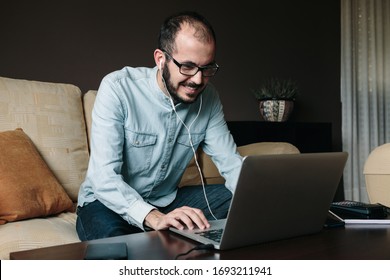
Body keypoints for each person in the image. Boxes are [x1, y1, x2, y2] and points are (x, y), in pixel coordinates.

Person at [76, 11, 243, 241]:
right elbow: (103, 177)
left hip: (168, 201)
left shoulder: (209, 98)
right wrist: (152, 217)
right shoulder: (118, 88)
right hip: (106, 203)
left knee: (245, 202)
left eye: (207, 69)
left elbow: (232, 165)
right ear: (160, 59)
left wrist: (265, 198)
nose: (197, 79)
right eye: (187, 66)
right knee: (113, 246)